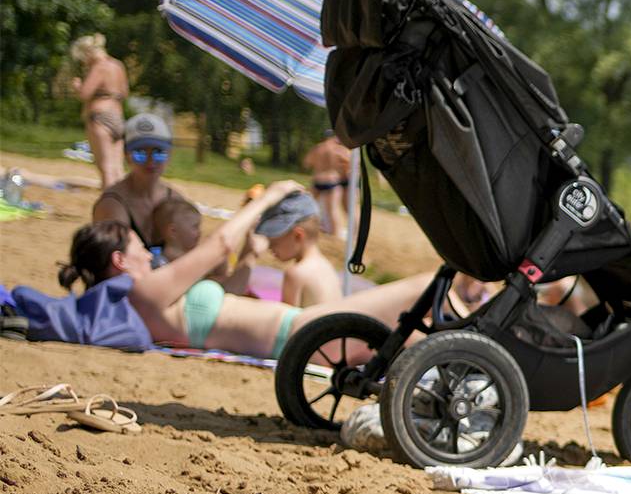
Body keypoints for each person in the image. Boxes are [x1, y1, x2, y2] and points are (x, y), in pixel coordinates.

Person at [61, 183, 438, 361]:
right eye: (139, 248)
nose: (147, 251)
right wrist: (268, 200)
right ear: (119, 261)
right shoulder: (144, 295)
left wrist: (248, 257)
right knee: (426, 286)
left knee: (417, 338)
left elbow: (230, 284)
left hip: (303, 334)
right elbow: (219, 245)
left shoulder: (148, 300)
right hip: (302, 334)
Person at [91, 114, 187, 248]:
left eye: (158, 152)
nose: (150, 161)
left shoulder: (176, 200)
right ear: (126, 155)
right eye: (140, 153)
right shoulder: (112, 205)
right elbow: (114, 260)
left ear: (170, 154)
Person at [253, 191, 343, 307]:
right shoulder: (326, 266)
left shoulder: (296, 274)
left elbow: (288, 322)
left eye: (274, 241)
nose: (269, 247)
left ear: (298, 235)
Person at [69, 35, 128, 189]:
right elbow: (124, 92)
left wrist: (77, 86)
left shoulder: (99, 67)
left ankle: (110, 207)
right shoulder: (117, 65)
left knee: (105, 167)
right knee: (118, 168)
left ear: (87, 53)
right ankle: (123, 204)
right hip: (117, 116)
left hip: (99, 117)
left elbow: (85, 94)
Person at [301, 131, 353, 234]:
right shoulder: (339, 150)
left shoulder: (317, 148)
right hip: (331, 181)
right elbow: (349, 165)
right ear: (334, 137)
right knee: (332, 211)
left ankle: (303, 228)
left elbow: (306, 163)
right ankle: (336, 233)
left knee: (307, 206)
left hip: (317, 180)